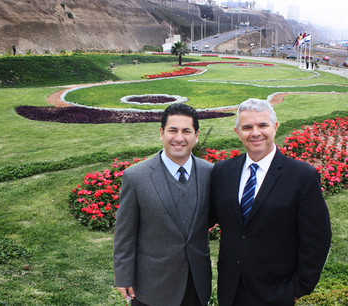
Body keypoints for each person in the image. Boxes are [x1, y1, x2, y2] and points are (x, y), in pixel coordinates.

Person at [210, 98, 332, 306]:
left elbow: (317, 238)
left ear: (275, 127)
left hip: (277, 292)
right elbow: (209, 217)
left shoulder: (302, 176)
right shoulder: (223, 171)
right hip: (231, 289)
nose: (255, 133)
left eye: (262, 125)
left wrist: (298, 288)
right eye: (247, 127)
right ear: (237, 132)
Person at [114, 103, 213, 306]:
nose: (179, 138)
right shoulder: (137, 177)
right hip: (152, 286)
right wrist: (123, 275)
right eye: (172, 130)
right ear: (161, 133)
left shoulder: (210, 173)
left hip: (196, 283)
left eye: (186, 131)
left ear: (196, 135)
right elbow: (125, 233)